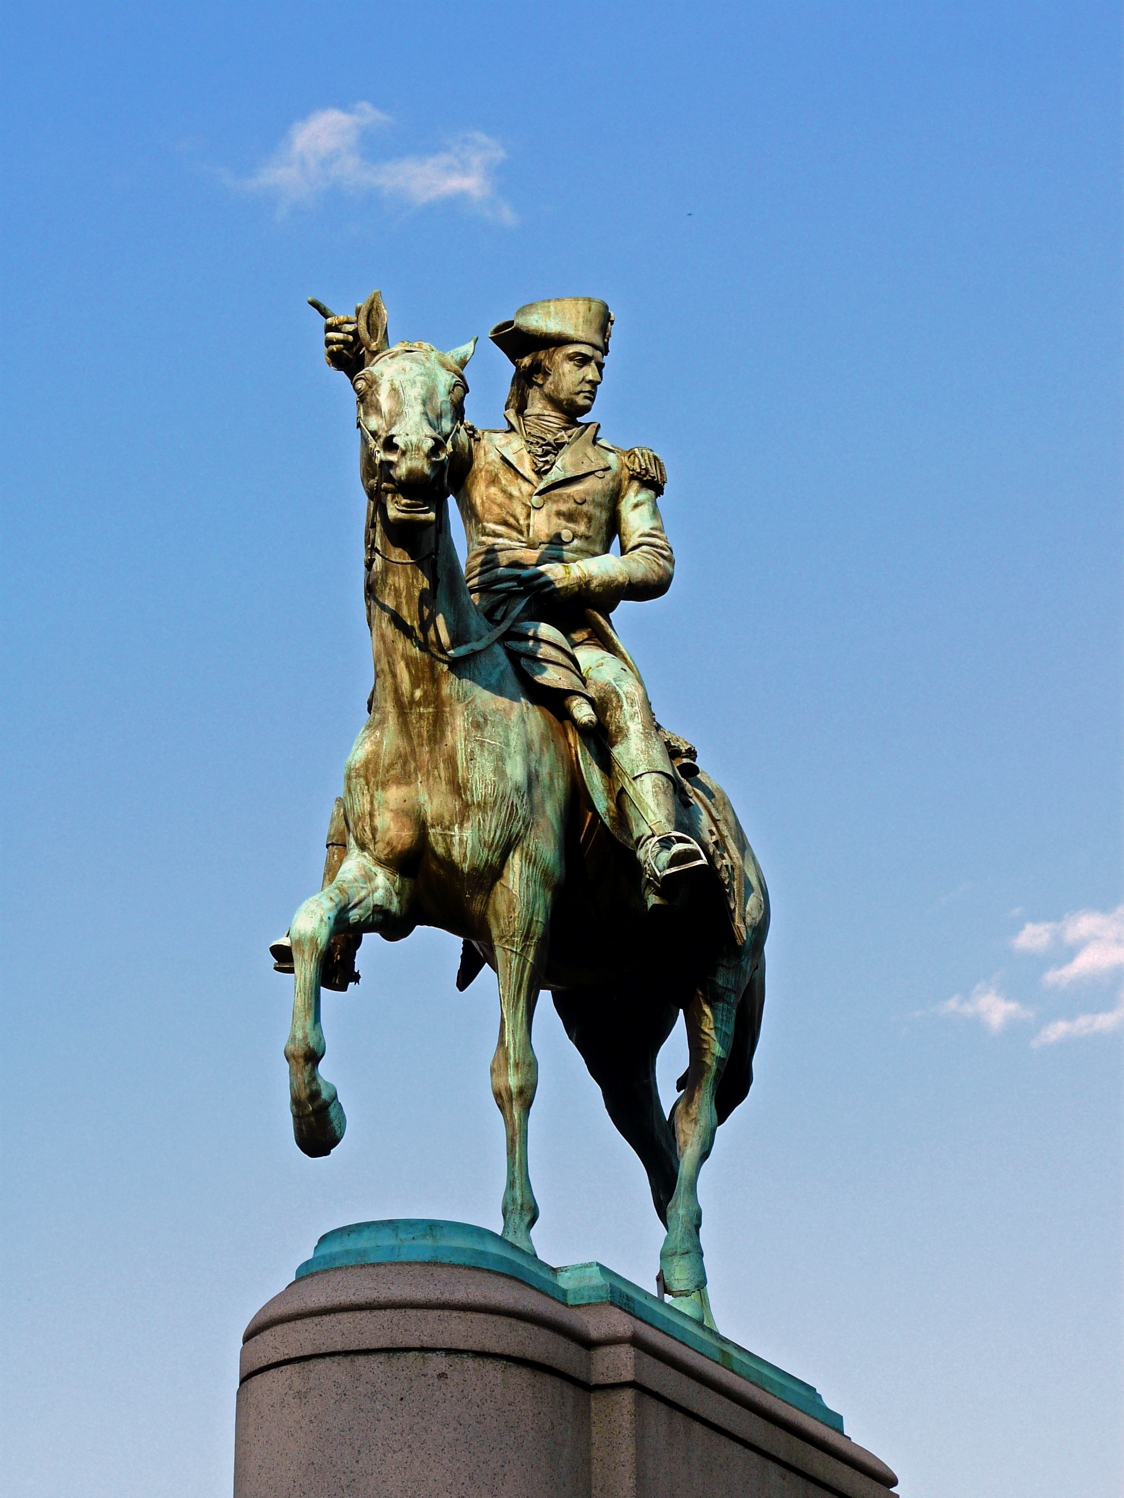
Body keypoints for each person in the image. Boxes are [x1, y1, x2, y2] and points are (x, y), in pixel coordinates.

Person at [321, 295, 706, 907]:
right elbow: (417, 433)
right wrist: (363, 370)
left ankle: (660, 842)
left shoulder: (617, 469)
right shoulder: (476, 451)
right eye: (581, 361)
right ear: (536, 369)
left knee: (619, 693)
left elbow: (654, 561)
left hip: (572, 638)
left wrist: (569, 579)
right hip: (475, 627)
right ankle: (345, 876)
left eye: (599, 364)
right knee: (388, 720)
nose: (596, 376)